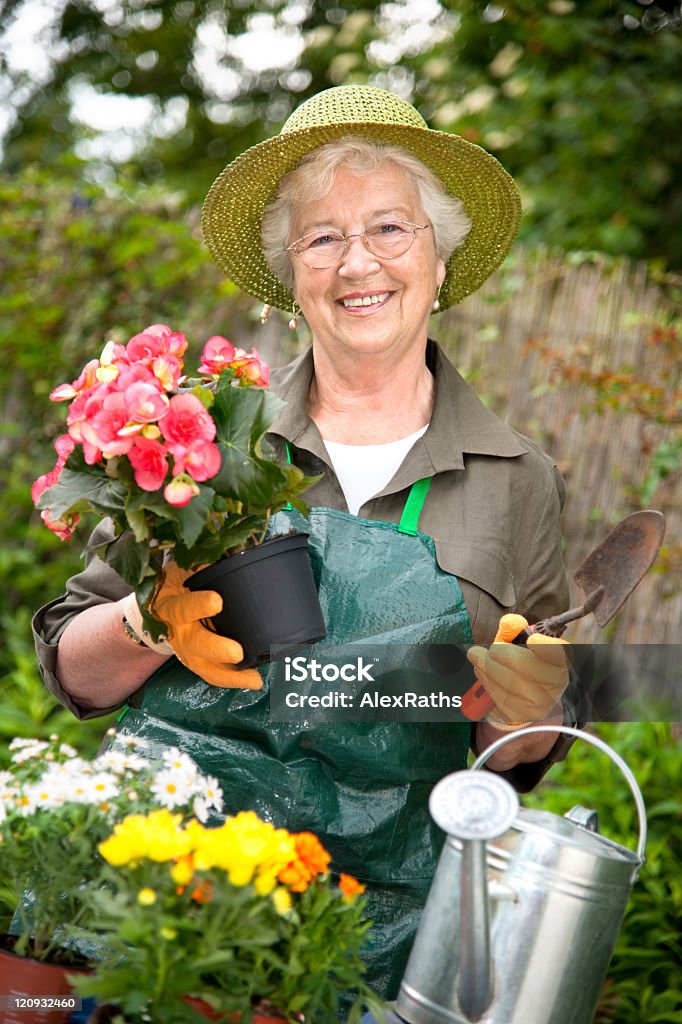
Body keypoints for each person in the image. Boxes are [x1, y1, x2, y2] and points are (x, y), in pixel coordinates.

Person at [33, 86, 575, 1004]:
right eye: (322, 237)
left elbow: (528, 748)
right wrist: (148, 619)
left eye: (390, 229)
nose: (358, 263)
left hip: (385, 937)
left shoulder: (520, 477)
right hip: (175, 917)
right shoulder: (201, 435)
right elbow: (70, 667)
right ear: (292, 279)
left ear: (441, 262)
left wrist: (523, 716)